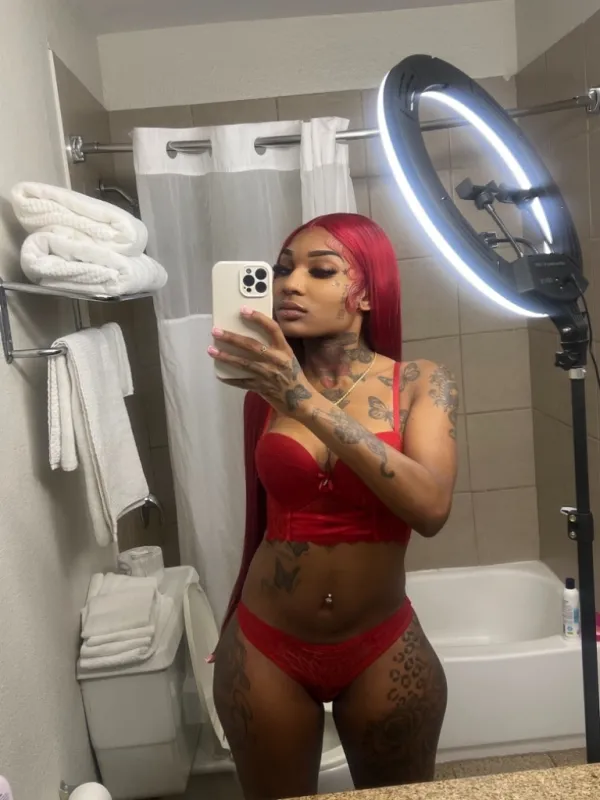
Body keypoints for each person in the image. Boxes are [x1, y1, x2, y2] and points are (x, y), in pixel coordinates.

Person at [207, 213, 458, 800]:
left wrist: (302, 400)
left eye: (321, 271)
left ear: (367, 292)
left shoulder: (420, 382)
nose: (290, 284)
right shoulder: (263, 390)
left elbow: (431, 508)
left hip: (381, 644)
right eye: (283, 270)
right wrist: (285, 390)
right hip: (266, 645)